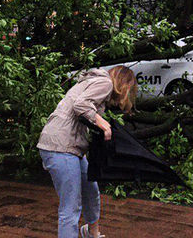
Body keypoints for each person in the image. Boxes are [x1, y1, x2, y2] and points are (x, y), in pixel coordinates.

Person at [37, 66, 137, 238]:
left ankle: (92, 233)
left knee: (91, 191)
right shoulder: (105, 83)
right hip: (60, 147)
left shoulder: (95, 82)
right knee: (71, 207)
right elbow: (80, 105)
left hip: (71, 147)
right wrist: (103, 123)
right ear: (124, 84)